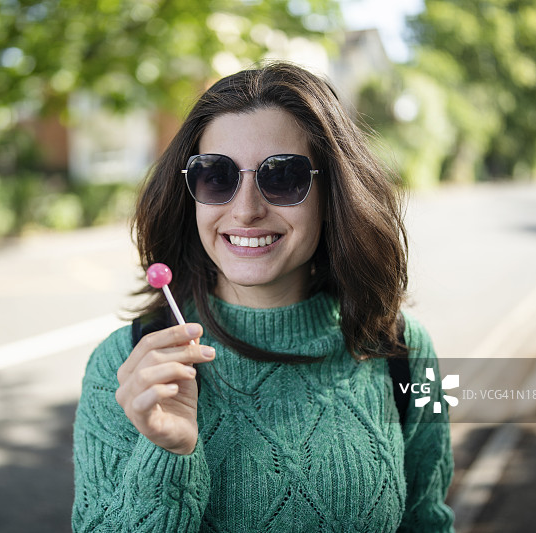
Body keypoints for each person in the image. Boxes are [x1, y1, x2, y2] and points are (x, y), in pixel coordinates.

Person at [72, 61, 455, 532]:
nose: (247, 209)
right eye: (216, 176)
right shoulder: (124, 368)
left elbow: (429, 522)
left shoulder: (408, 354)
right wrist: (166, 454)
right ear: (190, 191)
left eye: (283, 176)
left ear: (331, 192)